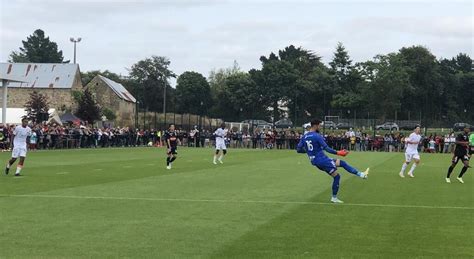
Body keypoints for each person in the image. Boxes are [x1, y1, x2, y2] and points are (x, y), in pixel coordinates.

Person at [296, 119, 369, 203]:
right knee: (337, 176)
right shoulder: (317, 136)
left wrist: (309, 151)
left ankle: (361, 174)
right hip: (322, 160)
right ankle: (334, 198)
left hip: (317, 161)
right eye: (319, 125)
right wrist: (338, 152)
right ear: (315, 125)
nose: (320, 127)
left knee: (342, 163)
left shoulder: (304, 136)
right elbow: (327, 148)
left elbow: (298, 150)